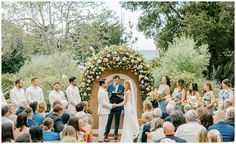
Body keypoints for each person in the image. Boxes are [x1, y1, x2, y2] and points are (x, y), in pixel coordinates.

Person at [104, 75, 125, 141]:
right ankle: (106, 134)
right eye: (115, 80)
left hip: (119, 106)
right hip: (111, 105)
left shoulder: (122, 86)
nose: (116, 81)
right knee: (109, 120)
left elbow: (124, 95)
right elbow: (106, 95)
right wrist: (109, 95)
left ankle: (115, 134)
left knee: (117, 121)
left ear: (119, 80)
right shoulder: (109, 86)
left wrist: (121, 96)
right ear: (113, 80)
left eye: (117, 80)